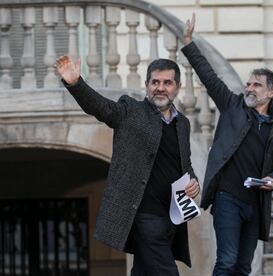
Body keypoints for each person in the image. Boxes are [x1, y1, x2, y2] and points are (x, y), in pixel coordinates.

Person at [55, 55, 200, 276]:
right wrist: (76, 84)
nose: (160, 88)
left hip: (171, 217)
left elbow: (185, 163)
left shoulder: (183, 123)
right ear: (147, 85)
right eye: (155, 82)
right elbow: (102, 108)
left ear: (177, 87)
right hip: (142, 215)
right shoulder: (130, 110)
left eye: (167, 83)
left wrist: (194, 182)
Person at [182, 14, 273, 276]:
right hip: (227, 198)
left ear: (271, 92)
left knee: (243, 267)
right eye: (248, 83)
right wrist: (188, 43)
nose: (250, 88)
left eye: (257, 84)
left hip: (255, 202)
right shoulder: (233, 106)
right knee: (227, 261)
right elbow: (209, 77)